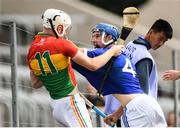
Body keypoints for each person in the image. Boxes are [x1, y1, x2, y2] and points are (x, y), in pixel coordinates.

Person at [27, 9, 121, 127]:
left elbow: (36, 83)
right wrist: (112, 51)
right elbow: (93, 65)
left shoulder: (32, 49)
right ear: (59, 28)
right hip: (70, 103)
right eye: (65, 29)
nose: (66, 32)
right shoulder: (62, 43)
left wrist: (53, 71)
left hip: (56, 106)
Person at [72, 22, 167, 127]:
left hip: (136, 110)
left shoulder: (102, 53)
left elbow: (72, 51)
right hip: (150, 105)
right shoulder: (123, 56)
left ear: (108, 37)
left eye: (98, 36)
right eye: (93, 36)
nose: (93, 40)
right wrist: (116, 115)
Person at [123, 19, 173, 99]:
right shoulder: (145, 57)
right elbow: (142, 95)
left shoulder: (130, 44)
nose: (161, 43)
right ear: (151, 32)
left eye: (164, 41)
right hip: (133, 108)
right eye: (160, 39)